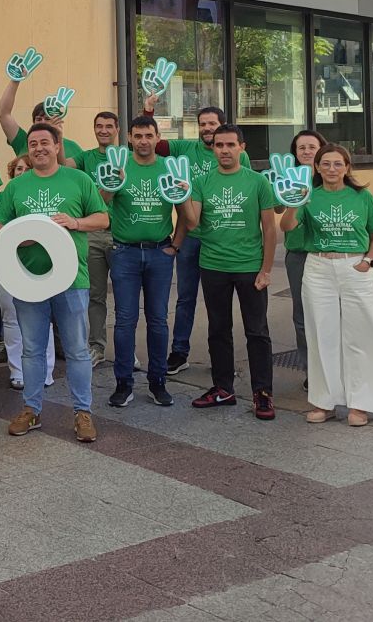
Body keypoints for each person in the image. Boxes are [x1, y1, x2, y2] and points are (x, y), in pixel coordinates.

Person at [0, 123, 107, 443]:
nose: (39, 148)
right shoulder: (16, 187)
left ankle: (82, 413)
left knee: (77, 350)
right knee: (32, 350)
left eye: (45, 142)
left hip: (72, 279)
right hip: (28, 281)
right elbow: (2, 230)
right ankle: (31, 409)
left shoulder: (79, 180)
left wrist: (75, 222)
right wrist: (22, 238)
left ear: (58, 146)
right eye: (33, 143)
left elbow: (102, 218)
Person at [280, 144, 373, 426]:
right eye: (326, 164)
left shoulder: (361, 196)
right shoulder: (309, 196)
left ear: (347, 167)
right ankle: (325, 402)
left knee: (364, 333)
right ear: (317, 167)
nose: (332, 169)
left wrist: (368, 261)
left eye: (338, 164)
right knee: (321, 334)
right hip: (318, 268)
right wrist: (295, 201)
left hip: (354, 266)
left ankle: (362, 404)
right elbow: (287, 227)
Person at [140, 98, 252, 376]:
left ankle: (221, 358)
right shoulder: (185, 149)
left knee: (222, 304)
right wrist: (149, 109)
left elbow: (247, 192)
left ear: (222, 126)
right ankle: (180, 352)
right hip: (191, 236)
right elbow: (154, 143)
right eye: (202, 124)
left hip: (222, 238)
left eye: (212, 123)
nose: (206, 128)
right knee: (185, 298)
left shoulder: (237, 155)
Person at [180, 124, 277, 420]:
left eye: (230, 145)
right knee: (218, 330)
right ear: (213, 149)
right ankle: (223, 388)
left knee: (257, 331)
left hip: (250, 267)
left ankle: (263, 393)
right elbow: (193, 223)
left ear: (241, 148)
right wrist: (181, 197)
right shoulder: (202, 181)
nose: (224, 150)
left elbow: (269, 229)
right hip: (213, 266)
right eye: (219, 145)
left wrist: (266, 269)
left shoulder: (258, 182)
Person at [102, 116, 180, 409]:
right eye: (138, 136)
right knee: (124, 321)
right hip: (125, 253)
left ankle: (158, 381)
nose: (143, 141)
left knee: (158, 320)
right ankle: (123, 383)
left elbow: (186, 208)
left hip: (160, 252)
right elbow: (100, 203)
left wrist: (176, 245)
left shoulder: (169, 167)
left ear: (158, 137)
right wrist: (113, 182)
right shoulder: (119, 165)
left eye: (149, 135)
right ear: (130, 138)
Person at [0, 154, 54, 391]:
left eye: (27, 169)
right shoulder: (3, 197)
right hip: (8, 263)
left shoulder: (42, 196)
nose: (22, 173)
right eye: (18, 169)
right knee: (11, 318)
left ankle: (46, 371)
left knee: (43, 319)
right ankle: (17, 371)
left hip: (39, 266)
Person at [72, 111, 120, 366]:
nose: (103, 130)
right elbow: (62, 164)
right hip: (92, 234)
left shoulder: (126, 157)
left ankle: (126, 348)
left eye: (109, 126)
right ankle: (97, 346)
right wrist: (57, 130)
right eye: (99, 126)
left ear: (117, 129)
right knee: (95, 295)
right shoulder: (85, 157)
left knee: (124, 296)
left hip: (121, 234)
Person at [281, 130, 325, 360]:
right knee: (302, 314)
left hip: (327, 254)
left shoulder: (332, 178)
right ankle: (311, 367)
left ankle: (334, 366)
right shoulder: (288, 178)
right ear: (295, 153)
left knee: (330, 312)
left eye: (312, 147)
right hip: (298, 254)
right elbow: (278, 210)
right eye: (301, 148)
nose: (307, 151)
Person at [0, 80, 85, 162]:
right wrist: (16, 79)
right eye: (38, 119)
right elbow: (3, 114)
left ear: (58, 121)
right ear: (33, 122)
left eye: (47, 119)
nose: (42, 122)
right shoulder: (23, 142)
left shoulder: (72, 147)